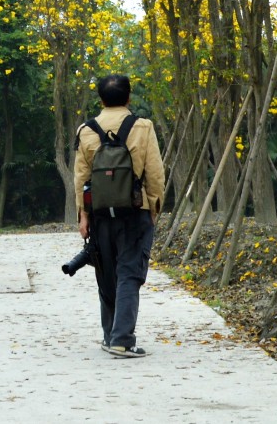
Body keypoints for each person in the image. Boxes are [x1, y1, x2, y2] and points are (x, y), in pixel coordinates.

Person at [73, 73, 166, 358]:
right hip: (134, 212)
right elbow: (155, 173)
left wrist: (83, 216)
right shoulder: (142, 127)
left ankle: (110, 333)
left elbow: (81, 178)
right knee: (129, 273)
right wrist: (153, 209)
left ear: (101, 99)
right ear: (128, 97)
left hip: (100, 214)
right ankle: (123, 340)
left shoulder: (86, 130)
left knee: (107, 272)